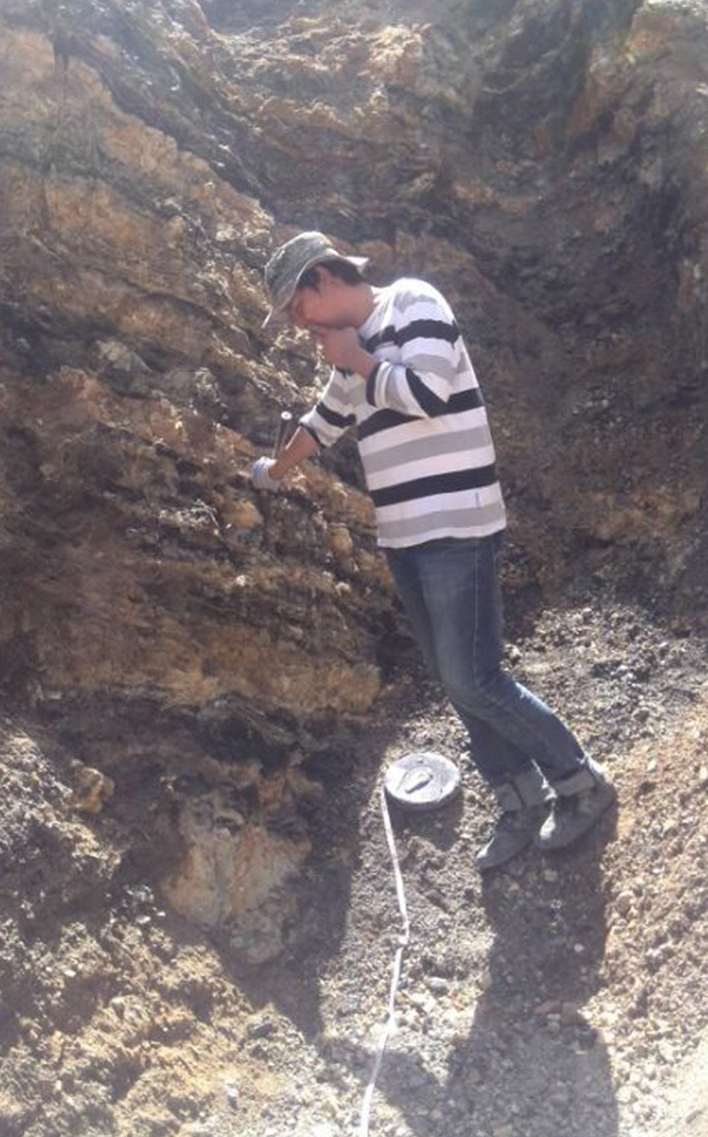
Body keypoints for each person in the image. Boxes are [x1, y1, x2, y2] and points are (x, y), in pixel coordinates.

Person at [251, 230, 616, 869]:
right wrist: (276, 469)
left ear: (323, 279)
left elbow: (428, 393)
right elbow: (326, 420)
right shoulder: (349, 351)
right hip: (405, 536)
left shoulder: (413, 302)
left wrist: (359, 360)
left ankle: (579, 781)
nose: (298, 324)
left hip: (456, 526)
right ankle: (518, 799)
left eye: (297, 307)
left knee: (474, 678)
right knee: (457, 681)